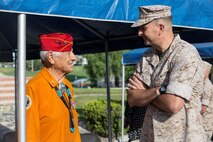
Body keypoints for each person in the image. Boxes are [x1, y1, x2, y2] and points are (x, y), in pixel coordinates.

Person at [127, 5, 206, 142]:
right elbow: (132, 99)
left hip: (182, 137)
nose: (139, 32)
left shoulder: (185, 54)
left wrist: (145, 91)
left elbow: (173, 104)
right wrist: (159, 91)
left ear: (160, 28)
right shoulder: (147, 57)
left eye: (143, 27)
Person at [26, 33, 81, 142]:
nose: (74, 57)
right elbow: (29, 136)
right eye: (68, 52)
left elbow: (73, 129)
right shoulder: (33, 88)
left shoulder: (68, 86)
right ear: (51, 57)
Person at [201, 61, 213, 142]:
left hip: (205, 123)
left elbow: (203, 109)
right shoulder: (203, 84)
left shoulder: (207, 86)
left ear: (207, 72)